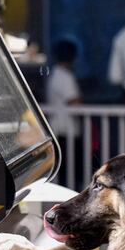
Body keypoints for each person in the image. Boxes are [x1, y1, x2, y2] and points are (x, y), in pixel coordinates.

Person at [47, 38, 83, 188]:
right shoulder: (65, 77)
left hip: (58, 128)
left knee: (63, 172)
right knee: (70, 174)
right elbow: (75, 102)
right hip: (66, 130)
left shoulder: (55, 75)